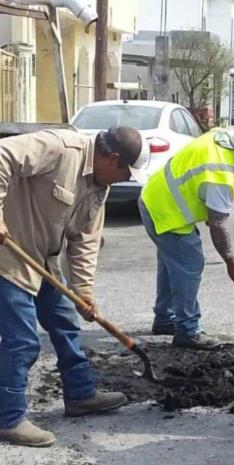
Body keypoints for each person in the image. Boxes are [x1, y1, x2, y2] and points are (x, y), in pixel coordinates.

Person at [0, 126, 149, 447]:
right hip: (9, 255)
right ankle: (8, 418)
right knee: (22, 340)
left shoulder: (99, 187)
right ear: (112, 159)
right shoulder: (59, 147)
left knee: (66, 324)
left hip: (44, 260)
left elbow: (85, 241)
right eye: (126, 172)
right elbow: (2, 155)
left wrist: (84, 291)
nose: (126, 179)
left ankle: (80, 395)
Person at [139, 128, 234, 350]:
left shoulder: (221, 137)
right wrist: (231, 262)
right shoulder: (222, 176)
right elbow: (218, 225)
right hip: (166, 210)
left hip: (154, 196)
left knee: (171, 261)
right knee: (190, 263)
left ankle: (165, 318)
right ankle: (188, 330)